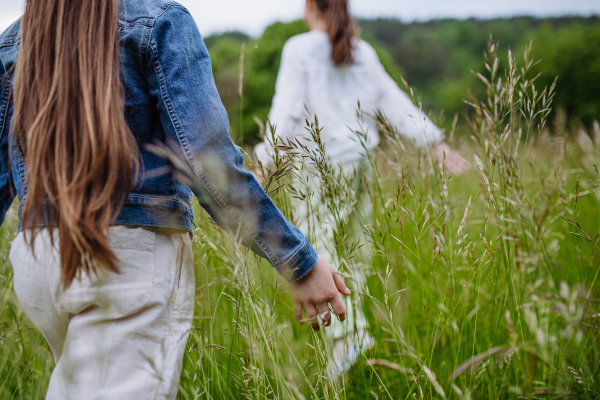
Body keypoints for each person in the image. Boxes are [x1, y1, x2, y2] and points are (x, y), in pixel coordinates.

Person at [0, 0, 349, 398]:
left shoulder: (15, 38)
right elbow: (209, 166)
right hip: (125, 258)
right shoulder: (160, 21)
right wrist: (298, 261)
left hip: (36, 254)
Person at [254, 0, 468, 373]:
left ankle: (345, 342)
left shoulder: (300, 48)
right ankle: (353, 336)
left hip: (318, 170)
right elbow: (395, 103)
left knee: (321, 253)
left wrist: (263, 163)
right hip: (361, 164)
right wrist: (435, 144)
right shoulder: (361, 50)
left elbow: (286, 110)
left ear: (310, 5)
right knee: (356, 254)